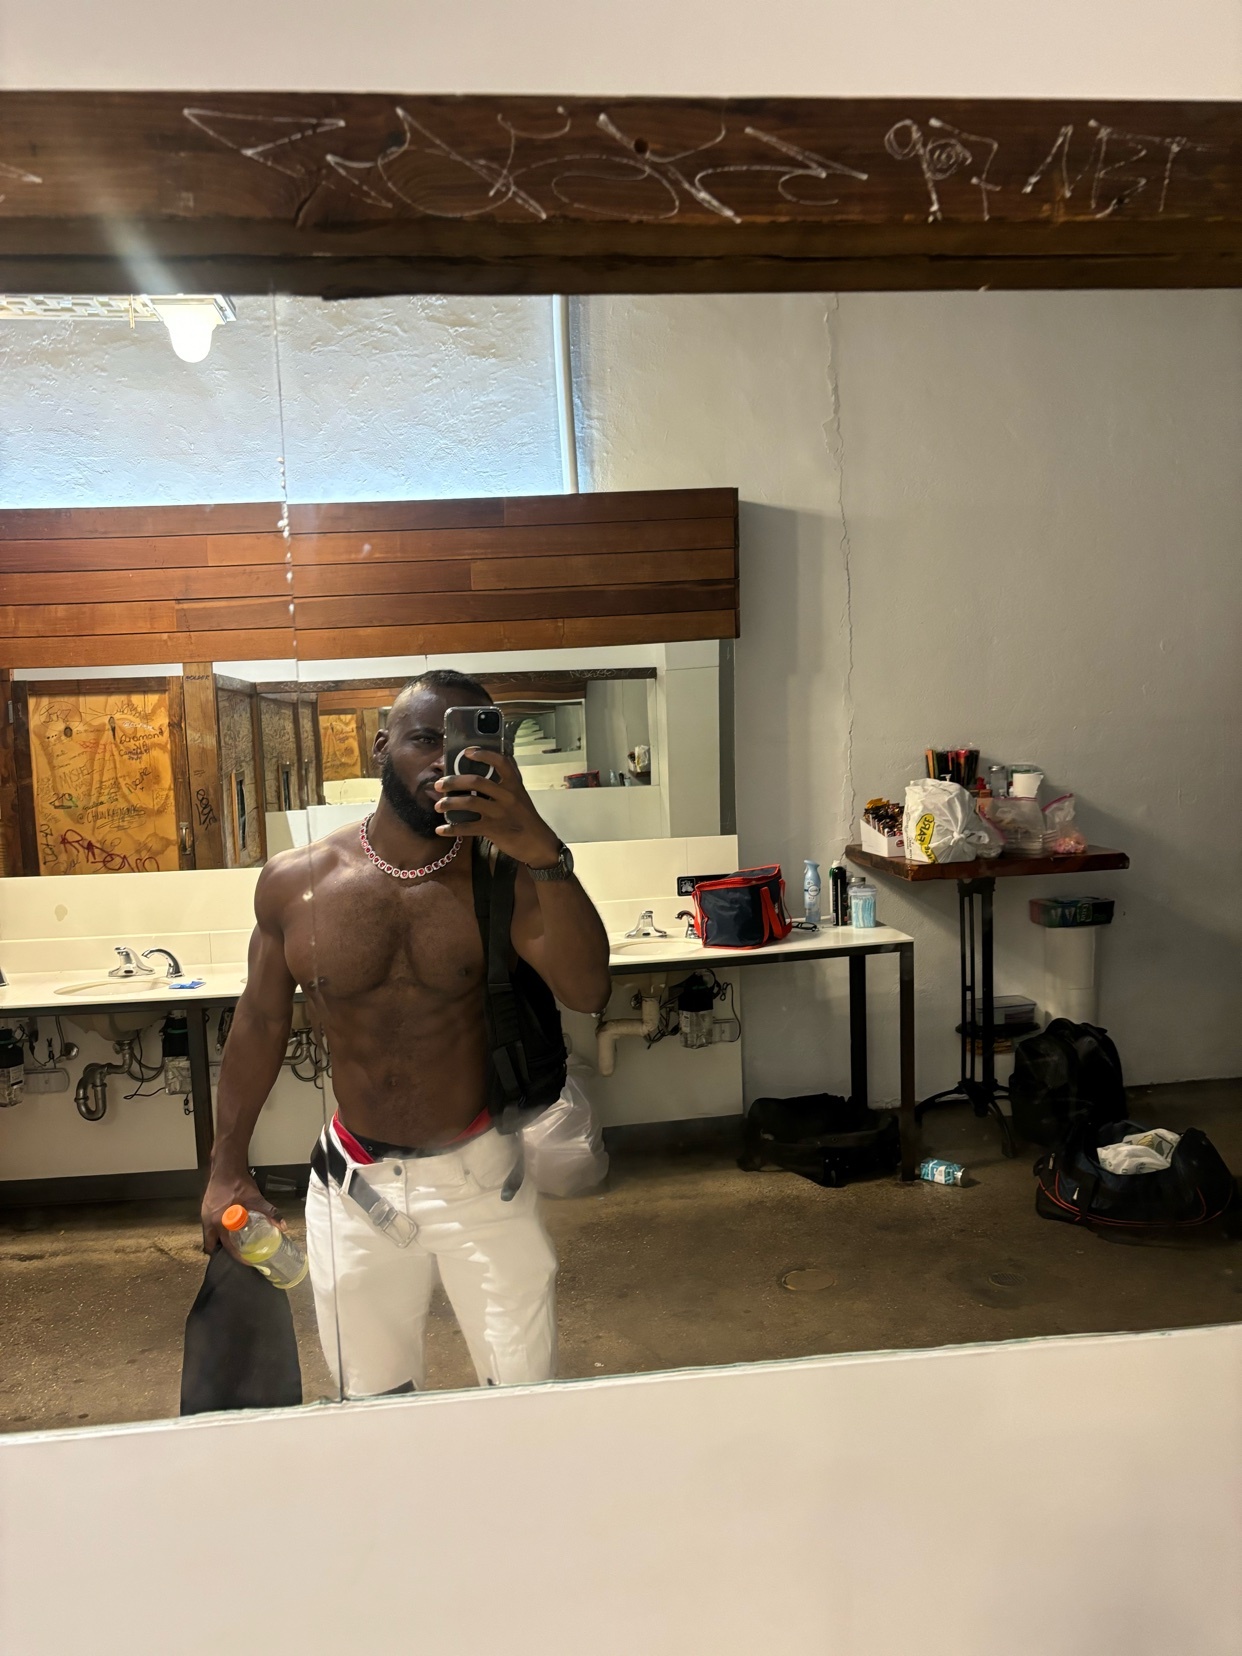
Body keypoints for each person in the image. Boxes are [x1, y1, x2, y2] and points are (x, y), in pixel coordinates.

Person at [201, 670, 612, 1397]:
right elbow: (260, 1021)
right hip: (353, 1188)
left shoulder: (507, 876)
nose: (443, 762)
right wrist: (226, 1166)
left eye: (469, 744)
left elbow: (587, 991)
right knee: (373, 1403)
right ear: (380, 747)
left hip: (482, 1179)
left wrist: (543, 849)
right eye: (425, 739)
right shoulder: (298, 883)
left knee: (523, 1398)